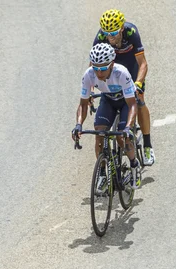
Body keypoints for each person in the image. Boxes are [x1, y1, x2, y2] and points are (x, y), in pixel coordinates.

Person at [73, 43, 140, 189]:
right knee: (99, 133)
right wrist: (78, 125)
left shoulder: (121, 73)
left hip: (125, 102)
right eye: (96, 68)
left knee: (123, 137)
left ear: (112, 64)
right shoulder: (88, 75)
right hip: (108, 100)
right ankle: (103, 172)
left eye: (103, 68)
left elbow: (132, 105)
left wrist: (128, 127)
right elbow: (83, 104)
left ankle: (134, 164)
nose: (99, 72)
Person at [94, 9, 155, 166]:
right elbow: (94, 65)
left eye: (114, 32)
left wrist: (138, 84)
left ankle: (147, 144)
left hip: (131, 68)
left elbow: (142, 63)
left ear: (121, 28)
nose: (110, 37)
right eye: (107, 32)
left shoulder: (131, 32)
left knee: (139, 100)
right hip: (113, 70)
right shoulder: (101, 37)